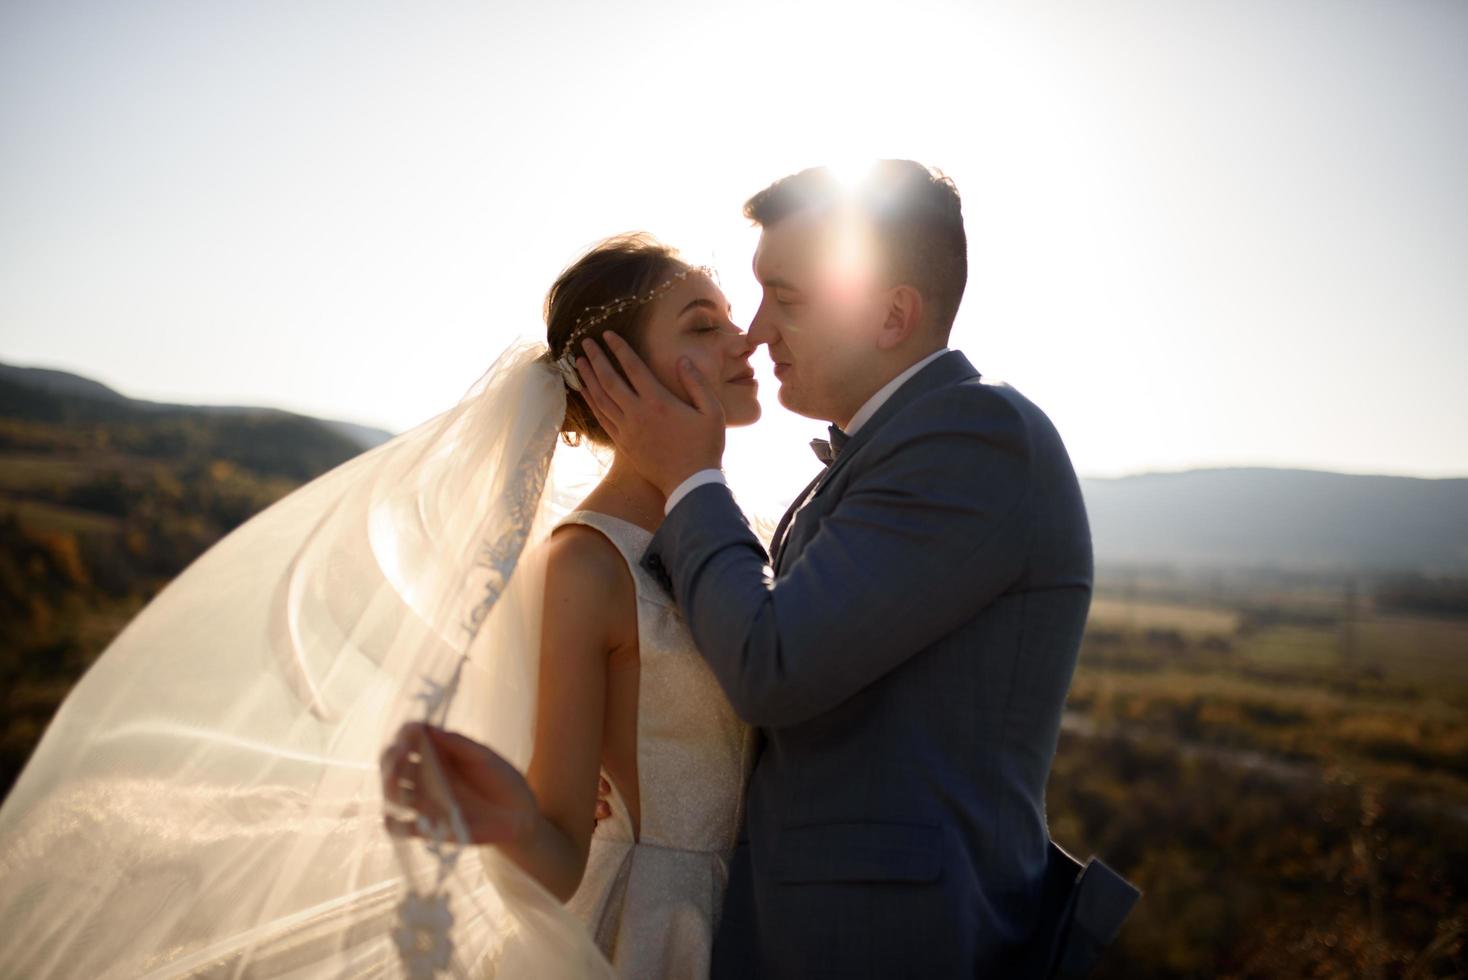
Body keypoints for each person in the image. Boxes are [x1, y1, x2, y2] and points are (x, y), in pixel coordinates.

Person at [0, 233, 759, 978]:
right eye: (705, 324)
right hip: (654, 936)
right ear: (609, 372)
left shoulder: (738, 534)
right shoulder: (589, 564)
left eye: (731, 315)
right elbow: (559, 854)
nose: (745, 339)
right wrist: (503, 815)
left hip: (768, 907)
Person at [573, 160, 1095, 976]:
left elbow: (772, 663)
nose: (754, 331)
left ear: (893, 315)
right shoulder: (875, 460)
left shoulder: (975, 438)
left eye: (787, 300)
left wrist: (687, 477)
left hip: (893, 943)